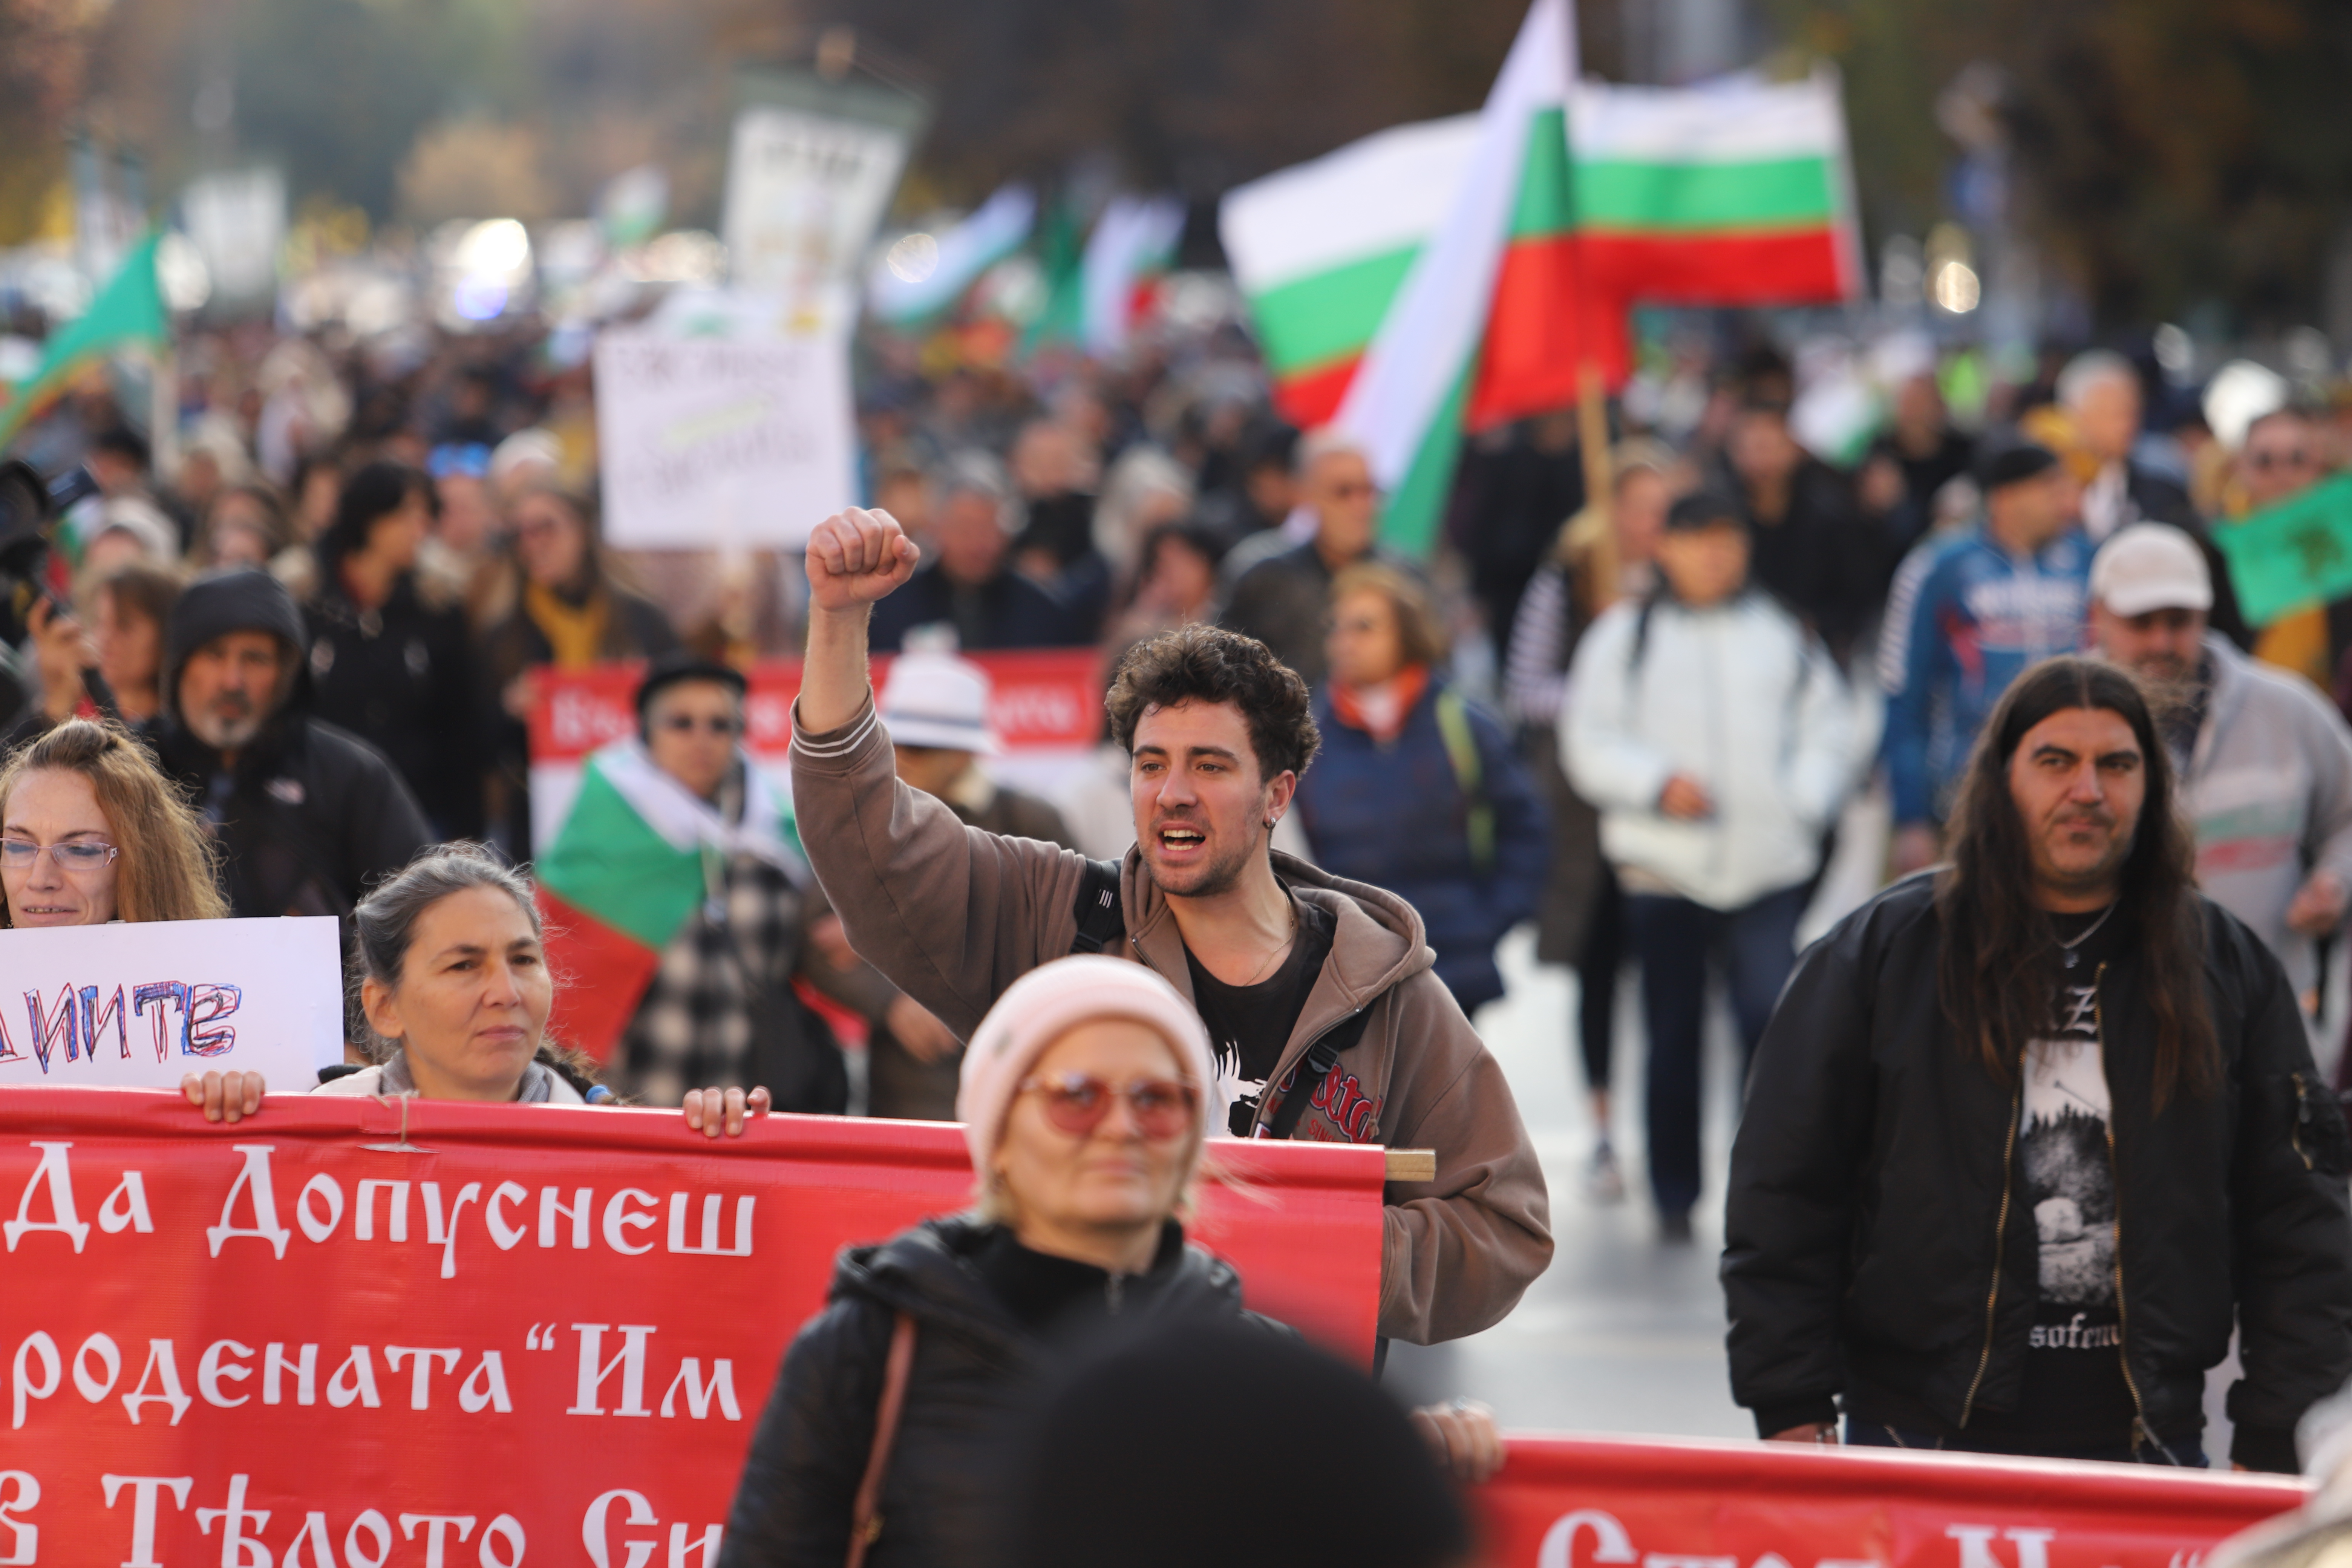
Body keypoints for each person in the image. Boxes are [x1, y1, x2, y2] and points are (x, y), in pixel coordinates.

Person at [791, 505, 1551, 1346]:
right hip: (1080, 1428)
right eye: (1151, 764)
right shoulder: (1061, 922)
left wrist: (1306, 1249)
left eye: (1211, 765)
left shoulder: (1384, 991)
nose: (1172, 792)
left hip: (1290, 1449)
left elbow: (1504, 1224)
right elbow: (868, 838)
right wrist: (838, 619)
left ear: (1278, 796)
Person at [1725, 657, 2352, 1469]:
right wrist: (1790, 1401)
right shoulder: (1882, 953)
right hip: (1916, 1436)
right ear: (2002, 779)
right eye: (2056, 760)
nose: (2087, 789)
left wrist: (2274, 1433)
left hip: (2146, 1442)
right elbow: (1783, 1188)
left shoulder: (2224, 967)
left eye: (2117, 764)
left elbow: (2301, 1216)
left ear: (2152, 786)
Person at [718, 957, 1500, 1568]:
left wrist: (1407, 1459)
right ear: (998, 1132)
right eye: (1077, 1095)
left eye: (1158, 1099)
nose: (1121, 1127)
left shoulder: (1266, 1371)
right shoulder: (870, 1348)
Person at [1564, 491, 1857, 1240]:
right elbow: (1588, 738)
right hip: (1663, 867)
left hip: (1768, 864)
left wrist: (1804, 798)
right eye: (1697, 541)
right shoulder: (1624, 637)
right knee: (1672, 1033)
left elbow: (1832, 725)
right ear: (1666, 549)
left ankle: (1764, 1184)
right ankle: (1674, 1191)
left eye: (1725, 540)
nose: (1713, 556)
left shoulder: (1781, 634)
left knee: (1770, 1020)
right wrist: (1654, 782)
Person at [187, 845, 775, 1130]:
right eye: (463, 966)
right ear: (384, 1007)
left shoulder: (620, 1145)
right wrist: (224, 1136)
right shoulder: (310, 1136)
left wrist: (714, 1151)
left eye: (523, 960)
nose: (505, 991)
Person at [544, 654, 907, 1110]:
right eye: (682, 722)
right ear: (645, 731)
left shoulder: (777, 828)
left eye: (721, 724)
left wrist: (852, 926)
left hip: (745, 1100)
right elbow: (563, 958)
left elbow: (818, 942)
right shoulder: (602, 821)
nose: (703, 739)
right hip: (637, 1090)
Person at [2087, 524, 2352, 1020]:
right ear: (2098, 615)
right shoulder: (2059, 726)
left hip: (2266, 1022)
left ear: (2206, 613)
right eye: (2141, 622)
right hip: (2112, 1024)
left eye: (2179, 621)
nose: (2162, 642)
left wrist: (2337, 880)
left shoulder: (2286, 710)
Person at [1504, 444, 1675, 1201]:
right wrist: (1597, 700)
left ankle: (1668, 1129)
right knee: (1600, 965)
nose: (1650, 524)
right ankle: (1603, 1126)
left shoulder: (1688, 585)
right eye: (1637, 506)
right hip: (1587, 810)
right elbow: (1526, 687)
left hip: (1671, 807)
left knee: (1671, 973)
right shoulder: (1568, 578)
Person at [1005, 1322, 1476, 1568]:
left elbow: (1501, 1217)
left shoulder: (1279, 1367)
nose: (1125, 1132)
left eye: (1167, 1127)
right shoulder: (934, 1312)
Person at [1295, 562, 1546, 1017]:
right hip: (1344, 968)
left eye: (1365, 626)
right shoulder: (1304, 736)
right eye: (1338, 626)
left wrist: (1488, 920)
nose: (1345, 640)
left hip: (1452, 964)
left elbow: (1526, 826)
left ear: (1407, 633)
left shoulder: (1464, 725)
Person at [151, 567, 433, 918]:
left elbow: (422, 912)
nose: (232, 681)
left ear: (287, 674)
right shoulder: (136, 762)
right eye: (214, 654)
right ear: (180, 664)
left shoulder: (350, 775)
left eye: (255, 659)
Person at [867, 652, 1076, 1120]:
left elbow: (1085, 932)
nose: (903, 759)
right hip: (909, 1085)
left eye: (920, 747)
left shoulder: (1032, 820)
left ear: (963, 752)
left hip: (1018, 1072)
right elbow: (814, 931)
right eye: (895, 743)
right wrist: (890, 1000)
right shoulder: (873, 817)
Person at [1881, 440, 2090, 873]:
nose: (2066, 499)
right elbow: (1903, 692)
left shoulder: (2088, 561)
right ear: (2005, 497)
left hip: (2071, 792)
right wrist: (1912, 816)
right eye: (2050, 487)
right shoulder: (1939, 566)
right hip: (1966, 796)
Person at [479, 482, 680, 851]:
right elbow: (476, 743)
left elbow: (682, 705)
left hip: (641, 816)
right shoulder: (504, 636)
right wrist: (508, 711)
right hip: (546, 827)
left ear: (583, 532)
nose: (532, 542)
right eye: (519, 533)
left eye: (546, 527)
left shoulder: (642, 621)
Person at [303, 460, 487, 840]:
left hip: (418, 817)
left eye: (426, 518)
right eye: (407, 517)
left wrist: (468, 835)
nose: (421, 531)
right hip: (322, 817)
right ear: (371, 517)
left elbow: (461, 728)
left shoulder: (437, 607)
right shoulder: (304, 600)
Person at [2055, 350, 2249, 646]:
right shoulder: (2046, 496)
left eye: (2131, 412)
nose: (2125, 424)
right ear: (2073, 417)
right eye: (2110, 413)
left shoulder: (2165, 492)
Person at [1217, 429, 1414, 688]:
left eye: (1369, 490)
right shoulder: (1263, 575)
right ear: (1304, 494)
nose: (1362, 506)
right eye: (1343, 492)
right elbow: (1223, 674)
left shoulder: (1406, 580)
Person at [0, 718, 226, 930]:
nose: (40, 880)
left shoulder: (207, 970)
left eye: (80, 850)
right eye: (18, 846)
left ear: (143, 864)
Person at [868, 454, 1084, 654]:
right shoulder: (892, 610)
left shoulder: (1041, 612)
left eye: (987, 530)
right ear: (936, 529)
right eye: (964, 530)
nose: (977, 545)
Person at [1720, 398, 1881, 661]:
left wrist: (1821, 626)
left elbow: (1858, 592)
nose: (1761, 460)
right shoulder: (1725, 518)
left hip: (1818, 652)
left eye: (1769, 446)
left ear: (1793, 448)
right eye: (1750, 448)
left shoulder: (1831, 514)